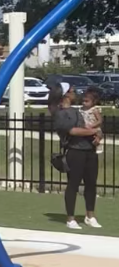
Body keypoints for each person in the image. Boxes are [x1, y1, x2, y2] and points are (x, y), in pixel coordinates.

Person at [54, 92, 102, 229]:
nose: (76, 93)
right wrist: (94, 132)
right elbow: (73, 131)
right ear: (65, 95)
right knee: (73, 184)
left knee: (91, 184)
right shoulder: (61, 114)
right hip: (75, 151)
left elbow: (95, 125)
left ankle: (90, 216)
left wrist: (98, 135)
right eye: (71, 91)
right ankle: (70, 218)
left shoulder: (78, 111)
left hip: (90, 150)